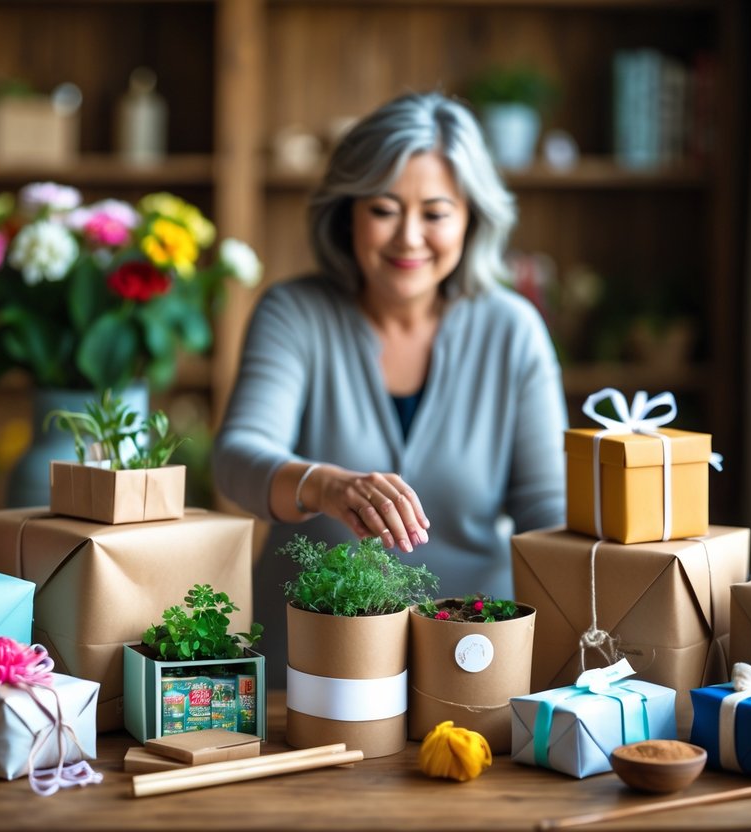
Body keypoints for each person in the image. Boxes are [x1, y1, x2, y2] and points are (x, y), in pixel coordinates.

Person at [213, 91, 568, 685]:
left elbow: (547, 513)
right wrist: (322, 485)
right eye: (383, 209)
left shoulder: (513, 329)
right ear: (347, 211)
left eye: (434, 212)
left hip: (475, 663)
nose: (409, 238)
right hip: (309, 665)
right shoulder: (293, 312)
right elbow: (236, 457)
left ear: (472, 217)